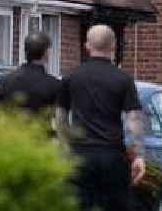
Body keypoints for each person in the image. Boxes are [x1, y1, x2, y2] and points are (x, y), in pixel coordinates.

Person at [56, 24, 145, 211]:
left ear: (87, 46)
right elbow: (134, 120)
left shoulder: (71, 77)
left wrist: (65, 148)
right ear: (113, 46)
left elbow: (61, 118)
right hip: (112, 155)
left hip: (80, 155)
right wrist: (137, 156)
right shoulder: (123, 79)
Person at [0, 32, 60, 115]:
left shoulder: (5, 80)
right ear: (46, 53)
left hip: (9, 127)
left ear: (25, 51)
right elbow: (59, 117)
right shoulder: (54, 85)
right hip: (40, 127)